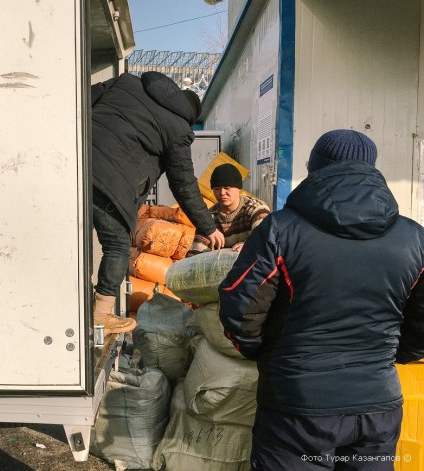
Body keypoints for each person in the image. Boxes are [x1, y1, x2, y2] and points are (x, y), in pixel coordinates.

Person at [218, 129, 424, 470]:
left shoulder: (280, 230)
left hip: (297, 408)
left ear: (314, 169)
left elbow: (240, 308)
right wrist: (389, 356)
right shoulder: (414, 238)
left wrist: (268, 356)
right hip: (377, 406)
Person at [91, 71, 225, 334]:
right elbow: (183, 184)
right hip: (109, 185)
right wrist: (209, 228)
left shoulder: (126, 82)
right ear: (190, 116)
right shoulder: (178, 128)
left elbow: (83, 99)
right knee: (117, 244)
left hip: (73, 162)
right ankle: (100, 315)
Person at [189, 163, 271, 254]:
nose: (222, 193)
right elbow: (196, 253)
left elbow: (265, 237)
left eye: (227, 188)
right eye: (217, 189)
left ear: (238, 188)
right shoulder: (209, 218)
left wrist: (249, 246)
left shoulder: (255, 209)